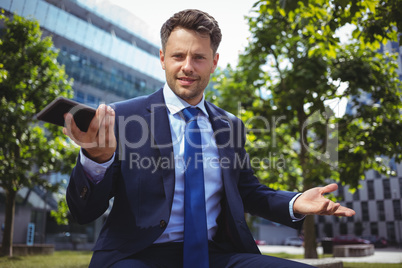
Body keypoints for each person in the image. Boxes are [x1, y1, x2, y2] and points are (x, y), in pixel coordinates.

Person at [63, 9, 355, 268]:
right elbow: (83, 212)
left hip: (216, 255)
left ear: (214, 62)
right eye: (178, 56)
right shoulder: (120, 118)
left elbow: (248, 191)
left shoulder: (231, 126)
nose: (187, 67)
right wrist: (96, 160)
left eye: (199, 57)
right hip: (136, 256)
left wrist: (294, 202)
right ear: (163, 59)